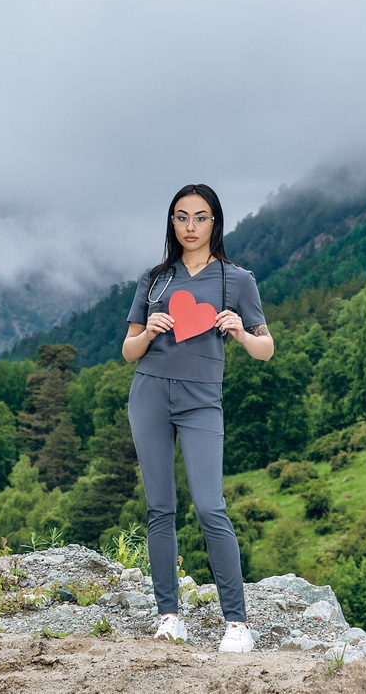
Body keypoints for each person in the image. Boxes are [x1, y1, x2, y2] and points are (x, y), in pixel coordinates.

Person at [122, 183, 273, 652]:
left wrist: (240, 333)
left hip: (201, 399)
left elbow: (266, 348)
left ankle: (237, 625)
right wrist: (148, 331)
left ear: (215, 222)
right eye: (182, 217)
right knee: (160, 508)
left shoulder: (237, 280)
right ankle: (170, 616)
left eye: (201, 217)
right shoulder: (154, 279)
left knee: (211, 507)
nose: (191, 227)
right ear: (172, 222)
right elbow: (128, 352)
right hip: (148, 393)